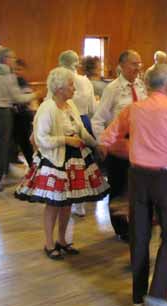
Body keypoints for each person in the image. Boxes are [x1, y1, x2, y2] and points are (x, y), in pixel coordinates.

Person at [100, 64, 167, 306]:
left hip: (137, 178)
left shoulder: (132, 109)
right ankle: (156, 298)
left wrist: (132, 147)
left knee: (140, 235)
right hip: (166, 179)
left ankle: (137, 296)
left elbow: (107, 139)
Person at [15, 67, 109, 260]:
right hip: (55, 161)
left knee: (67, 203)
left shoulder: (70, 105)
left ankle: (62, 240)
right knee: (53, 204)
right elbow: (41, 139)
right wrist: (65, 140)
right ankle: (49, 243)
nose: (74, 89)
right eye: (70, 85)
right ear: (59, 88)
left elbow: (81, 130)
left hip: (74, 158)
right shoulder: (47, 108)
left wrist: (95, 144)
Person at [92, 50, 147, 241]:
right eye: (134, 63)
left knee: (136, 187)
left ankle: (135, 223)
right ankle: (121, 228)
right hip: (118, 143)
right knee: (118, 186)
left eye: (139, 63)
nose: (138, 67)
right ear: (122, 66)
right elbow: (98, 119)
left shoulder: (141, 86)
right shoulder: (113, 88)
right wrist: (103, 143)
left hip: (138, 144)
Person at [0, 47, 40, 194]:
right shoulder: (8, 74)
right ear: (5, 59)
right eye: (12, 58)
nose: (14, 61)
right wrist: (35, 95)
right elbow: (17, 97)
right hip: (3, 113)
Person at [58, 50, 98, 217]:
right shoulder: (85, 81)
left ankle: (64, 194)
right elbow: (92, 108)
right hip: (83, 120)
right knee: (82, 163)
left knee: (65, 162)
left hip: (64, 121)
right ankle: (80, 202)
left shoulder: (58, 80)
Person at [10, 58, 36, 167]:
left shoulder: (22, 81)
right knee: (14, 141)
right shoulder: (11, 81)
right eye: (15, 69)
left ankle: (33, 165)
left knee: (25, 142)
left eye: (19, 69)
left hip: (22, 115)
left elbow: (27, 98)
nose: (17, 72)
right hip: (14, 115)